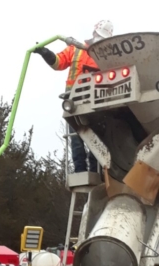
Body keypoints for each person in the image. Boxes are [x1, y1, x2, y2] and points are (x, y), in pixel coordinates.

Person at [34, 20, 114, 173]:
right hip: (74, 103)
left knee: (96, 140)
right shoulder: (76, 49)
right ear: (94, 32)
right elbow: (58, 63)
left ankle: (94, 172)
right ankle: (80, 171)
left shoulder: (107, 55)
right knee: (76, 139)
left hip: (97, 104)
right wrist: (46, 53)